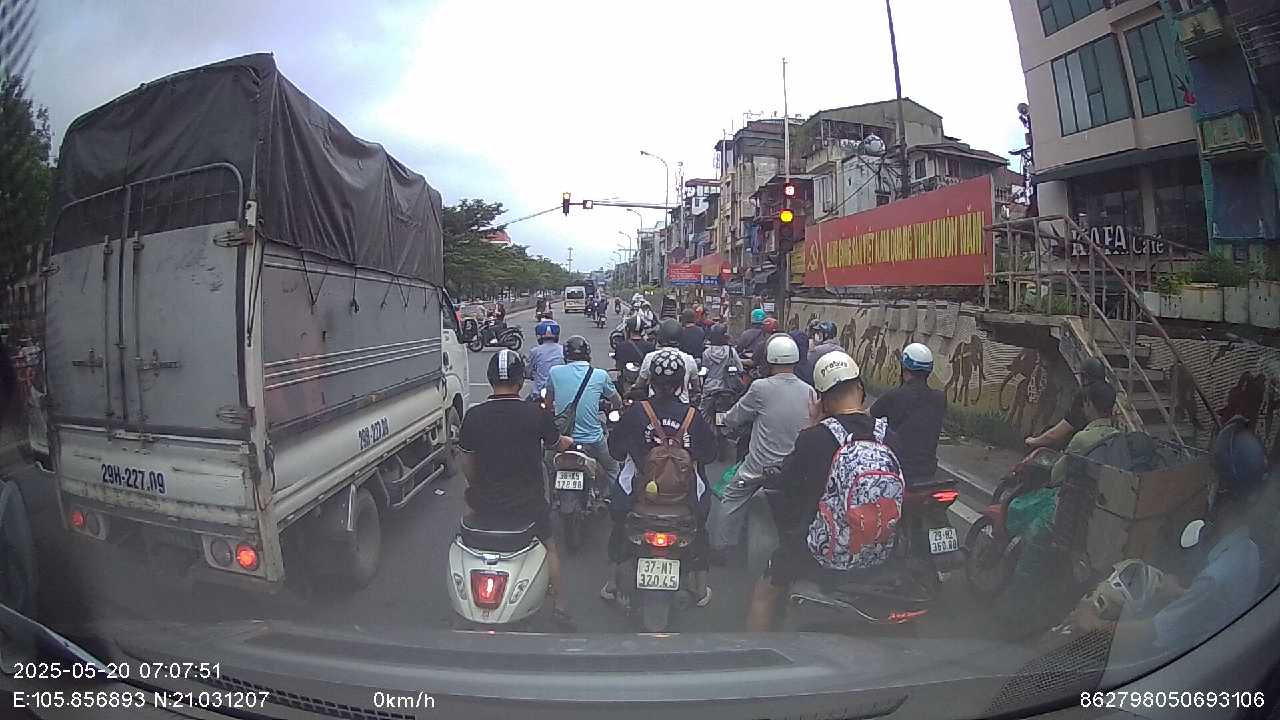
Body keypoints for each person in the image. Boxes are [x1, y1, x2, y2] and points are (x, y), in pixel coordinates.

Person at [1070, 414, 1266, 653]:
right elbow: (1211, 606)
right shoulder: (1248, 550)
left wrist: (1094, 624)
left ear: (1221, 489)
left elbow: (1155, 632)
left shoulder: (1215, 578)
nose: (1209, 488)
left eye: (1212, 481)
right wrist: (1180, 594)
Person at [745, 351, 904, 631]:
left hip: (816, 555)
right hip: (878, 553)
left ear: (821, 399)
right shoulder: (888, 436)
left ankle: (754, 651)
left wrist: (811, 424)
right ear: (860, 389)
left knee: (764, 594)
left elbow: (788, 485)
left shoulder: (814, 438)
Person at [457, 350, 576, 628]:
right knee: (550, 548)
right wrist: (568, 442)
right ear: (521, 381)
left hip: (484, 505)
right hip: (529, 506)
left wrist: (478, 488)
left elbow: (467, 466)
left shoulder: (473, 416)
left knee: (464, 539)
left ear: (489, 380)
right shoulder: (535, 414)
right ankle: (560, 607)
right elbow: (556, 443)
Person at [603, 348, 716, 607]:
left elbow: (615, 450)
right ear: (682, 384)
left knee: (619, 524)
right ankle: (700, 588)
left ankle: (612, 584)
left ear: (651, 382)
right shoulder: (693, 416)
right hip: (687, 499)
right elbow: (710, 455)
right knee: (700, 528)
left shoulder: (636, 412)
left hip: (636, 496)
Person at [711, 334, 818, 557]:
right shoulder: (809, 390)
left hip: (758, 468)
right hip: (793, 469)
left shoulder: (760, 388)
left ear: (769, 360)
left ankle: (723, 548)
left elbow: (735, 416)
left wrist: (725, 420)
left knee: (732, 496)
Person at [546, 336, 623, 497]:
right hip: (592, 440)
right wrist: (615, 408)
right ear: (588, 354)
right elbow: (617, 401)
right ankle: (616, 504)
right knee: (612, 468)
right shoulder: (600, 375)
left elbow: (548, 404)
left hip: (562, 440)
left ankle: (547, 498)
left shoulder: (554, 372)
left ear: (566, 355)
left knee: (546, 465)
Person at [870, 343, 947, 487]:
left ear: (904, 368)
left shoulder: (893, 396)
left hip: (897, 468)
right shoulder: (939, 398)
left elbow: (868, 416)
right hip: (928, 469)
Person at [1026, 357, 1108, 449]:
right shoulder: (1108, 391)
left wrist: (1033, 441)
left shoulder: (1085, 394)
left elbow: (1056, 433)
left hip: (1085, 444)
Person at [632, 318, 701, 404]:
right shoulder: (689, 359)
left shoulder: (650, 357)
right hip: (682, 406)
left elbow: (640, 383)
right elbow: (696, 387)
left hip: (654, 407)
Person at [525, 316, 564, 398]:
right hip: (559, 392)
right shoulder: (563, 350)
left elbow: (528, 371)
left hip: (539, 393)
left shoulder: (535, 351)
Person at [796, 321, 841, 387]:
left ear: (825, 335)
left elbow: (806, 364)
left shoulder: (817, 351)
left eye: (819, 333)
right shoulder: (842, 350)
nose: (816, 335)